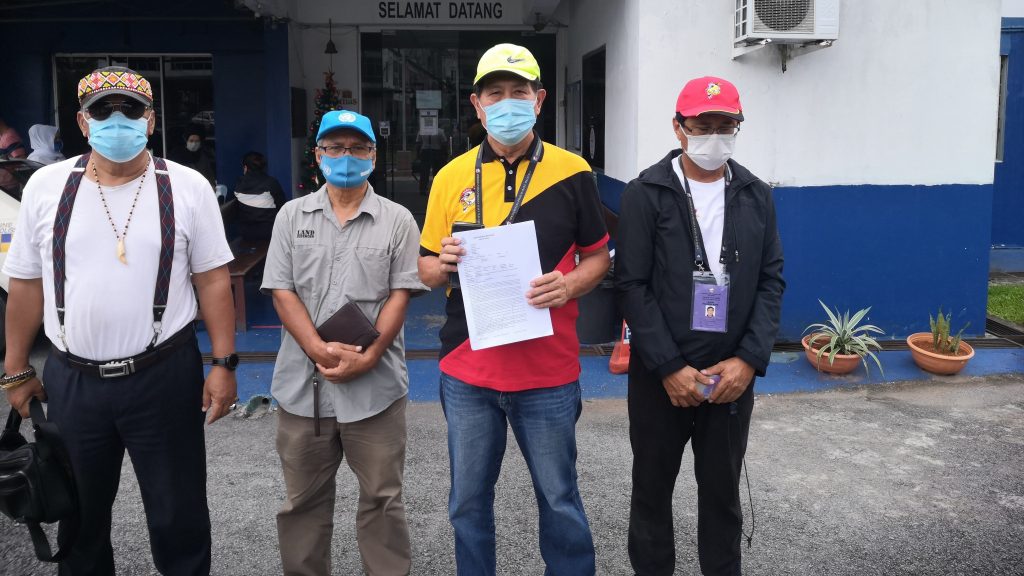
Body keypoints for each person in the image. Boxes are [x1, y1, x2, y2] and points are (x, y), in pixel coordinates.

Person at [1, 65, 238, 575]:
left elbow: (213, 280)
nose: (117, 120)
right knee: (80, 519)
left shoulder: (187, 186)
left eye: (130, 109)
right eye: (102, 110)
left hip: (163, 374)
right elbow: (26, 284)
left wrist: (224, 363)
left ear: (150, 120)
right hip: (74, 380)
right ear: (82, 122)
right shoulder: (46, 186)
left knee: (178, 514)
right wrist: (15, 368)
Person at [417, 43, 610, 576]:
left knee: (560, 500)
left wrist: (568, 286)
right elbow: (425, 267)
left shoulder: (573, 172)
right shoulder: (450, 177)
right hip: (468, 371)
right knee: (467, 504)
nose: (507, 103)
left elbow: (598, 257)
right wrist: (442, 265)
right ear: (477, 105)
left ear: (539, 100)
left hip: (547, 372)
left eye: (518, 92)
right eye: (495, 93)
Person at [614, 76, 785, 576]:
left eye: (725, 126)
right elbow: (632, 284)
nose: (714, 136)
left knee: (722, 496)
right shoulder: (646, 193)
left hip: (729, 379)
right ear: (678, 127)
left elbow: (771, 281)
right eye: (702, 125)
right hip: (661, 379)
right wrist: (668, 367)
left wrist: (748, 361)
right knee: (651, 492)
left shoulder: (755, 195)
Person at [261, 109, 424, 576]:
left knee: (383, 500)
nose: (346, 156)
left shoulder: (397, 220)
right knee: (303, 502)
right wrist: (315, 348)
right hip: (303, 388)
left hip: (375, 389)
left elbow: (400, 294)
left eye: (357, 148)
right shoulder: (292, 216)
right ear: (318, 155)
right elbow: (281, 290)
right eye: (335, 147)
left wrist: (369, 357)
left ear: (373, 155)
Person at [233, 151, 287, 242]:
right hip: (269, 232)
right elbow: (282, 206)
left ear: (245, 168)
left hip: (246, 233)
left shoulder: (239, 185)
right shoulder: (271, 182)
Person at [415, 122, 447, 195]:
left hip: (425, 151)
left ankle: (423, 189)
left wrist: (418, 154)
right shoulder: (440, 131)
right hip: (437, 151)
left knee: (424, 172)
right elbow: (444, 143)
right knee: (437, 171)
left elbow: (418, 143)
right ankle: (438, 189)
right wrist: (444, 154)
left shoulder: (422, 131)